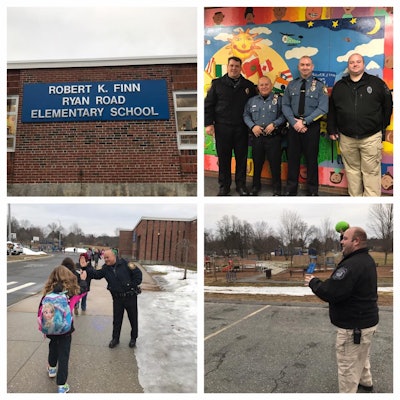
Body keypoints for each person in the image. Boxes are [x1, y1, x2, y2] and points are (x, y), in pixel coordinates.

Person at [305, 227, 379, 393]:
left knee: (348, 368)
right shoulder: (366, 259)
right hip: (366, 323)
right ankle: (366, 383)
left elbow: (331, 292)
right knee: (362, 356)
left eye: (345, 238)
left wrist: (313, 281)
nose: (341, 242)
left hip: (354, 328)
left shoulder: (351, 265)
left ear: (356, 241)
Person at [327, 53, 393, 196]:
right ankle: (355, 200)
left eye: (358, 62)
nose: (355, 64)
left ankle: (370, 204)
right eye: (351, 62)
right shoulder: (339, 86)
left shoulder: (377, 83)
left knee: (371, 172)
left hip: (371, 138)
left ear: (363, 64)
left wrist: (382, 126)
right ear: (348, 65)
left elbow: (388, 105)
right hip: (347, 138)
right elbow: (332, 109)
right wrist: (331, 128)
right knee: (352, 171)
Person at [205, 56, 257, 196]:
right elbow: (208, 105)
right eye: (231, 65)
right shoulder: (217, 84)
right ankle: (224, 186)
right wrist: (209, 124)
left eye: (237, 66)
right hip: (222, 127)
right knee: (224, 158)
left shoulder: (249, 86)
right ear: (227, 67)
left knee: (241, 158)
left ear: (241, 68)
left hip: (241, 128)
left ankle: (241, 186)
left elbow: (254, 106)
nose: (234, 68)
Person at [282, 55, 329, 196]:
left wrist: (305, 121)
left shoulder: (320, 86)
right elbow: (285, 105)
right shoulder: (292, 85)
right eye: (302, 64)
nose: (305, 67)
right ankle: (291, 189)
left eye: (308, 64)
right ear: (298, 67)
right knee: (293, 158)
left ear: (312, 67)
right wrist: (294, 122)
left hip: (311, 128)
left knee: (311, 160)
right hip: (293, 126)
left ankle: (312, 190)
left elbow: (323, 108)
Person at [86, 249, 142, 348]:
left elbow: (138, 275)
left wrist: (131, 285)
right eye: (104, 258)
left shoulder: (126, 263)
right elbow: (96, 275)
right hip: (117, 298)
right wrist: (86, 267)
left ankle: (133, 338)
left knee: (133, 319)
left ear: (114, 256)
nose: (106, 260)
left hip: (130, 297)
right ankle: (115, 339)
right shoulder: (106, 268)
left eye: (108, 257)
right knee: (117, 320)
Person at [40, 265, 82, 393]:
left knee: (53, 346)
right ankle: (62, 386)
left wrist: (42, 327)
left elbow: (40, 311)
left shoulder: (47, 292)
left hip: (50, 328)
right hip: (65, 330)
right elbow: (83, 292)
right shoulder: (70, 293)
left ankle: (52, 369)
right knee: (64, 355)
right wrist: (83, 280)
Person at [243, 76, 287, 196]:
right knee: (257, 164)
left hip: (273, 137)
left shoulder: (279, 99)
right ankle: (255, 187)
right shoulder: (251, 101)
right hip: (257, 138)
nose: (264, 87)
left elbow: (284, 115)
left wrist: (275, 124)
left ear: (271, 85)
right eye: (261, 85)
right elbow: (246, 115)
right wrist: (253, 126)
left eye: (266, 84)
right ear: (258, 87)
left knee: (275, 165)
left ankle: (277, 189)